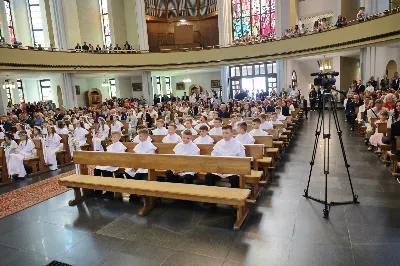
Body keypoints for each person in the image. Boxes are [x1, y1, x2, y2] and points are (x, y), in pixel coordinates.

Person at [205, 125, 246, 189]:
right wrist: (219, 167)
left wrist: (231, 167)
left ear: (232, 133)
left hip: (232, 169)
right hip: (219, 168)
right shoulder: (219, 143)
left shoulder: (238, 144)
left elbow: (242, 159)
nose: (224, 135)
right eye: (223, 133)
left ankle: (234, 196)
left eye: (227, 133)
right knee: (209, 176)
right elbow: (213, 157)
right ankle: (211, 194)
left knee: (235, 178)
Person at [125, 130, 157, 201]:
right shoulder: (138, 145)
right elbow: (135, 157)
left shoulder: (150, 146)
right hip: (138, 165)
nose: (139, 137)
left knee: (137, 176)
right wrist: (134, 165)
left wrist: (140, 165)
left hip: (146, 166)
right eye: (139, 136)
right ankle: (134, 192)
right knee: (127, 173)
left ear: (146, 137)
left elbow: (151, 159)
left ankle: (137, 194)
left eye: (141, 136)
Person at [94, 131, 126, 198]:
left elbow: (121, 157)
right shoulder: (110, 146)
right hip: (108, 162)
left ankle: (109, 191)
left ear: (119, 138)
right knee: (96, 170)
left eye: (115, 137)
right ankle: (97, 189)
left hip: (115, 163)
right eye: (112, 137)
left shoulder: (121, 146)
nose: (113, 138)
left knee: (106, 171)